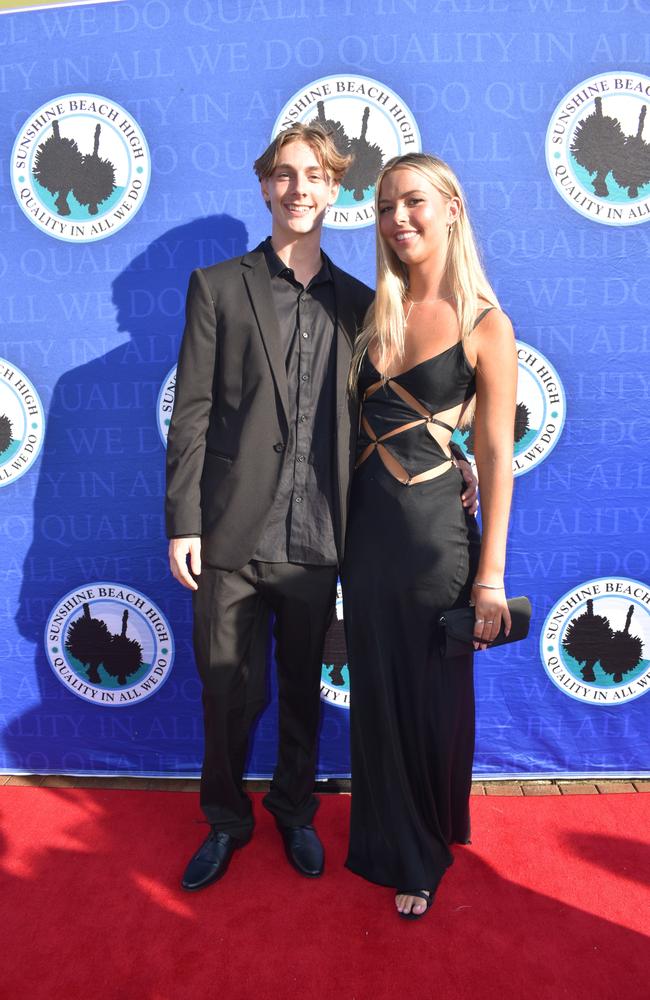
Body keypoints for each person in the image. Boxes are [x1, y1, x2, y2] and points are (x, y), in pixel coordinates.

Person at [166, 126, 477, 893]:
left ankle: (296, 813)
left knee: (301, 685)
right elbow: (194, 414)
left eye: (313, 175)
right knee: (226, 688)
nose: (298, 187)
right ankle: (225, 820)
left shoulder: (368, 306)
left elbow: (395, 408)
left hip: (322, 534)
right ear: (265, 186)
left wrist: (456, 457)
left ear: (334, 190)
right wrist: (183, 520)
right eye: (283, 174)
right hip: (232, 532)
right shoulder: (217, 287)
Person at [341, 153, 517, 919]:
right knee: (377, 689)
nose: (398, 218)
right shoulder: (367, 314)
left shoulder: (487, 323)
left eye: (413, 201)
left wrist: (490, 578)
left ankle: (422, 850)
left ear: (451, 207)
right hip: (365, 534)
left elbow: (497, 457)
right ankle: (385, 833)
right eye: (384, 207)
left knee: (432, 695)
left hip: (438, 537)